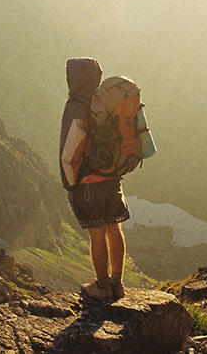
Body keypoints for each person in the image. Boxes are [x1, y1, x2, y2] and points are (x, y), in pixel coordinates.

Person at [59, 57, 130, 300]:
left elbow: (70, 148)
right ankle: (117, 284)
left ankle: (101, 287)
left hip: (89, 182)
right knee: (114, 227)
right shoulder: (106, 102)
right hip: (112, 177)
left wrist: (70, 183)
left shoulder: (76, 106)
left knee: (97, 233)